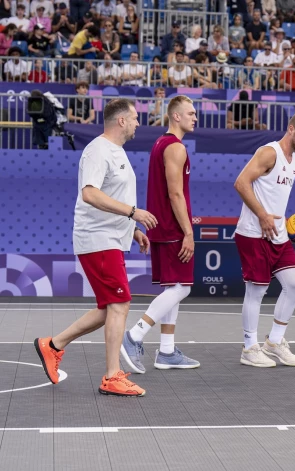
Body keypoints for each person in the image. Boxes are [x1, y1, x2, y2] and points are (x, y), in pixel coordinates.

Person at [34, 99, 158, 397]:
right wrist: (132, 213)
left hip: (112, 238)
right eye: (135, 118)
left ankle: (52, 345)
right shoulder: (98, 150)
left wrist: (133, 230)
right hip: (96, 238)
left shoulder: (118, 153)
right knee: (120, 303)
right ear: (121, 121)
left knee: (109, 307)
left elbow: (112, 197)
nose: (139, 123)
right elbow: (89, 194)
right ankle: (112, 376)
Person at [120, 96, 200, 374]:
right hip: (172, 228)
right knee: (183, 287)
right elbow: (175, 193)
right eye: (190, 113)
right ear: (175, 116)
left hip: (162, 227)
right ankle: (134, 336)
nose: (195, 117)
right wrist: (188, 232)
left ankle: (166, 351)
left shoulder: (159, 143)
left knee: (173, 288)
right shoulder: (175, 148)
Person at [233, 112, 295, 368]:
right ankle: (249, 348)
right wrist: (262, 215)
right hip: (253, 232)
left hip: (278, 235)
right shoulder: (269, 153)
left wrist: (279, 222)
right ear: (291, 129)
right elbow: (240, 183)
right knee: (256, 291)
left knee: (294, 284)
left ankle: (275, 342)